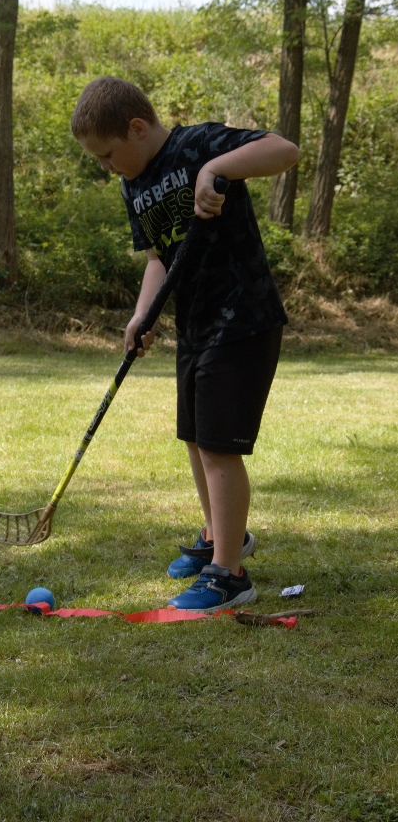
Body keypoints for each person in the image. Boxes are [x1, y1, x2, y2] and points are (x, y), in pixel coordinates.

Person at [70, 76, 299, 612]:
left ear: (137, 128)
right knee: (196, 440)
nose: (105, 167)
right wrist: (142, 314)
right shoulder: (133, 186)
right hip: (194, 326)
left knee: (219, 448)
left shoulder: (197, 145)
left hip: (242, 321)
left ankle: (229, 575)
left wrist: (217, 168)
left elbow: (284, 150)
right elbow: (158, 259)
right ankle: (222, 536)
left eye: (107, 155)